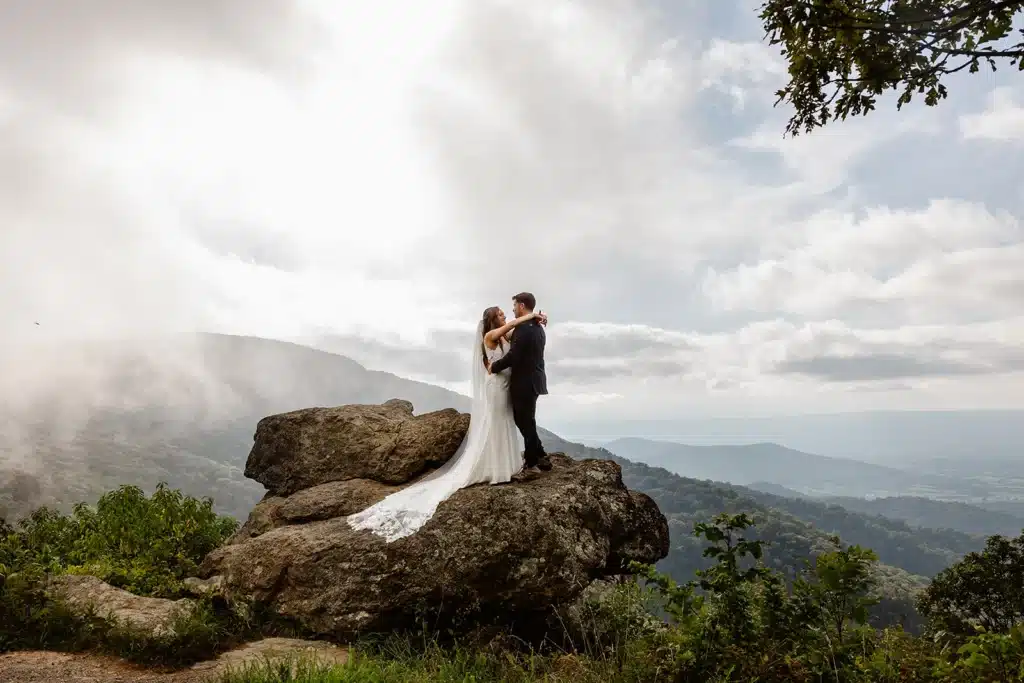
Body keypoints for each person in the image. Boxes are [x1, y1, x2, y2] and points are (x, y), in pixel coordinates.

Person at [346, 304, 548, 542]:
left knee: (505, 421)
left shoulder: (504, 334)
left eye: (506, 312)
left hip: (505, 387)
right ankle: (494, 468)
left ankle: (506, 464)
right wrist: (532, 315)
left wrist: (536, 320)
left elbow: (521, 335)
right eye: (501, 315)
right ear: (493, 320)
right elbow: (516, 325)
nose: (506, 315)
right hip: (496, 387)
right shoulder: (491, 335)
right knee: (494, 423)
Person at [488, 292, 551, 473]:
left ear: (522, 306)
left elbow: (514, 356)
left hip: (525, 382)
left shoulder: (525, 329)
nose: (513, 309)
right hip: (534, 380)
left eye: (514, 305)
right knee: (526, 420)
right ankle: (541, 456)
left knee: (525, 421)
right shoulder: (536, 327)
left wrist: (494, 367)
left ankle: (532, 464)